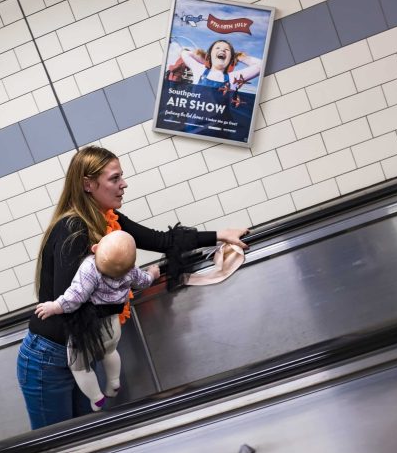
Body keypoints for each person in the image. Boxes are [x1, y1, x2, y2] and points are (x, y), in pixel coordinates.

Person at [17, 145, 248, 429]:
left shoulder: (108, 221)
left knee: (85, 439)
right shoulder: (72, 229)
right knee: (57, 445)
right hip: (49, 359)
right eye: (115, 178)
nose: (123, 184)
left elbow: (162, 241)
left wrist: (220, 235)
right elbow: (72, 303)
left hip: (83, 351)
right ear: (88, 184)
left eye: (121, 177)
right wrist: (129, 280)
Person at [35, 230, 160, 412]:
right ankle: (114, 382)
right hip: (112, 324)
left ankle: (96, 398)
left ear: (94, 248)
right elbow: (144, 281)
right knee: (110, 352)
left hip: (89, 329)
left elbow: (75, 297)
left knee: (79, 366)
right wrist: (153, 273)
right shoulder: (131, 271)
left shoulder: (90, 268)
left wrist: (54, 306)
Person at [180, 39, 261, 89]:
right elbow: (185, 53)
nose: (222, 50)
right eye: (217, 48)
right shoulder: (199, 70)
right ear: (210, 55)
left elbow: (261, 66)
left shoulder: (234, 78)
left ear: (231, 59)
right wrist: (205, 58)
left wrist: (239, 57)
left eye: (227, 49)